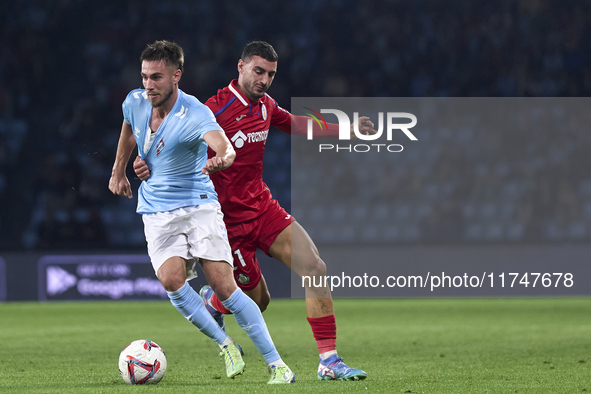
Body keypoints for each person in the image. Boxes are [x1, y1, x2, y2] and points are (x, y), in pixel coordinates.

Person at [134, 41, 374, 381]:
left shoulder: (266, 106)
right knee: (258, 302)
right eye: (258, 71)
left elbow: (296, 124)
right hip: (225, 223)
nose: (264, 80)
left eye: (271, 74)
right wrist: (145, 165)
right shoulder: (212, 109)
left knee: (315, 267)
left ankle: (329, 361)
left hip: (262, 208)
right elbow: (169, 145)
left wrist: (346, 129)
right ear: (241, 67)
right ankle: (215, 304)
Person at [108, 40, 295, 384]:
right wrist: (119, 169)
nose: (149, 85)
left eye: (157, 78)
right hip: (156, 211)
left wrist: (223, 157)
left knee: (224, 287)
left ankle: (277, 365)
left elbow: (222, 145)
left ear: (176, 76)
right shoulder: (135, 101)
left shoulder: (195, 112)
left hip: (198, 206)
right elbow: (128, 128)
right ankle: (226, 345)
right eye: (145, 77)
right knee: (171, 281)